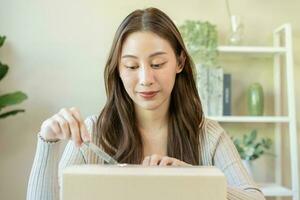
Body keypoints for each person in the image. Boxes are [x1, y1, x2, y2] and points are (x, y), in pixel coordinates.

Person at [27, 7, 266, 200]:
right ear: (118, 70)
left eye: (158, 64)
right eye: (131, 66)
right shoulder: (91, 135)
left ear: (180, 62)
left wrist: (195, 181)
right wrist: (47, 141)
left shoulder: (209, 135)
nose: (145, 80)